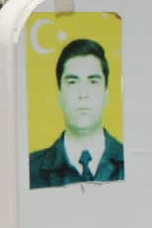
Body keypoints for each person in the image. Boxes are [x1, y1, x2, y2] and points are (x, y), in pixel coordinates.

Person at [28, 38, 126, 188]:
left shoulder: (132, 162)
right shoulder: (30, 170)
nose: (83, 94)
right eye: (72, 82)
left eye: (93, 81)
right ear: (59, 96)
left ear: (106, 95)